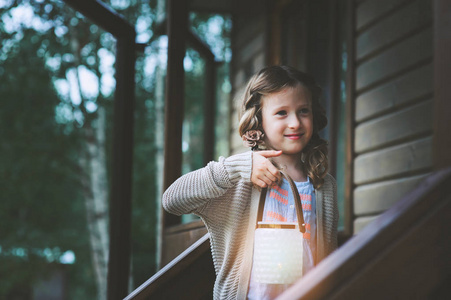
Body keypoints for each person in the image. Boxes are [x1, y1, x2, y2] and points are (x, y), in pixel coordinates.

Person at [163, 65, 338, 300]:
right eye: (282, 113)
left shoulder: (323, 186)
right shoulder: (239, 181)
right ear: (258, 121)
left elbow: (329, 257)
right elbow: (172, 200)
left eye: (303, 111)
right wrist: (237, 168)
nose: (295, 122)